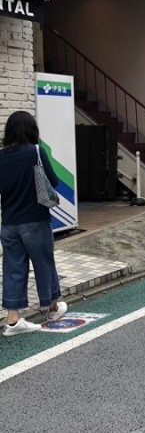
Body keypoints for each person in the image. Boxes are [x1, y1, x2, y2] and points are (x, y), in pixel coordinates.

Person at [0, 111, 67, 336]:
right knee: (44, 263)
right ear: (31, 130)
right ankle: (52, 307)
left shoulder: (1, 156)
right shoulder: (36, 151)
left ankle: (13, 320)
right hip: (35, 220)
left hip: (9, 223)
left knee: (13, 268)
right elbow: (54, 182)